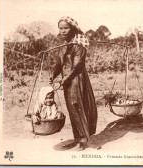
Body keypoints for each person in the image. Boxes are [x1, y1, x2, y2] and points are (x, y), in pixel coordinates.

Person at [50, 16, 98, 150]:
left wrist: (64, 80)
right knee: (72, 109)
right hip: (67, 81)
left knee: (78, 106)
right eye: (61, 28)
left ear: (73, 28)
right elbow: (59, 64)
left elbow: (77, 66)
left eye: (66, 28)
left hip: (78, 79)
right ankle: (77, 139)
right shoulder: (64, 46)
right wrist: (53, 75)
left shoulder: (78, 45)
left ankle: (83, 140)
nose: (63, 30)